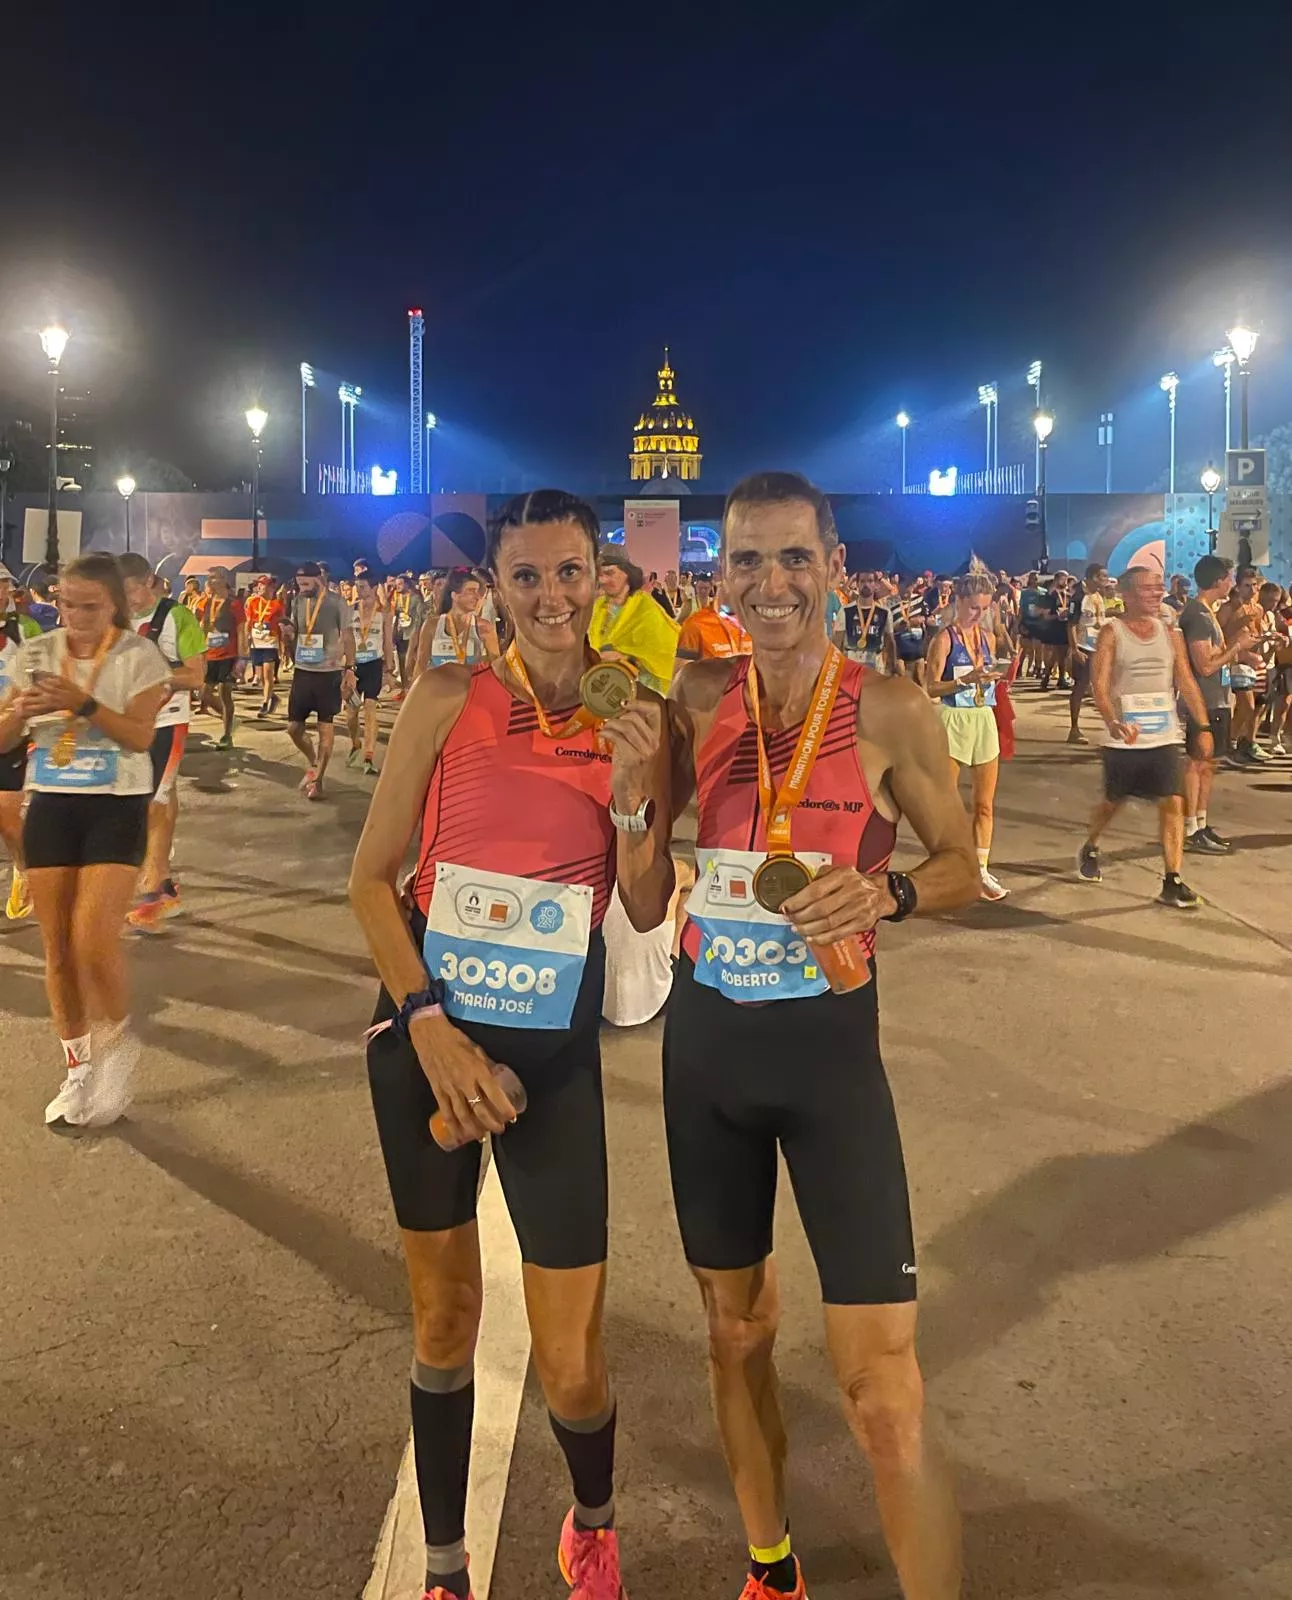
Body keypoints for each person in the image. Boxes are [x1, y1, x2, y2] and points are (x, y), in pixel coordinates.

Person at [349, 488, 673, 1600]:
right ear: (495, 584)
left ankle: (593, 1523)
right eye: (525, 575)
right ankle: (443, 1569)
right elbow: (369, 880)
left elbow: (642, 906)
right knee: (442, 1320)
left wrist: (630, 796)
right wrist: (429, 1027)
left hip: (552, 1056)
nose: (549, 596)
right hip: (428, 1036)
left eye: (569, 571)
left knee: (572, 1360)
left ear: (601, 578)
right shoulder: (448, 697)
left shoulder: (636, 714)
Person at [665, 471, 978, 1600]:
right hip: (707, 1050)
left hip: (831, 1062)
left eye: (794, 556)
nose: (771, 582)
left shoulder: (888, 708)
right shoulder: (697, 695)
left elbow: (963, 865)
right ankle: (769, 1566)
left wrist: (887, 894)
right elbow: (642, 865)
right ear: (722, 575)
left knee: (882, 1393)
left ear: (833, 568)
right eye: (747, 559)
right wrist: (626, 800)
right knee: (734, 1331)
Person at [0, 553, 170, 1128]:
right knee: (56, 949)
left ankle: (117, 1049)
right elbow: (2, 737)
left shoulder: (138, 656)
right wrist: (18, 713)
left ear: (114, 604)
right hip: (51, 802)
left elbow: (141, 736)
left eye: (89, 607)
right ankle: (77, 1070)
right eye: (65, 604)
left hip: (116, 804)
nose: (74, 616)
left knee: (92, 941)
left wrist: (84, 705)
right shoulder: (35, 653)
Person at [1077, 567, 1210, 908]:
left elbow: (1186, 681)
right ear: (1126, 594)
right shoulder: (1112, 633)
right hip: (1125, 738)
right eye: (1147, 589)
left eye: (1158, 587)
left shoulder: (1170, 633)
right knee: (1113, 801)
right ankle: (1091, 844)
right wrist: (1112, 721)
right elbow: (1099, 685)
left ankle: (1172, 880)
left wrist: (1203, 726)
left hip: (1164, 735)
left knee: (1173, 802)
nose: (1156, 593)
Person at [116, 553, 208, 931]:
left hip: (168, 722)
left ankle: (155, 892)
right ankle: (164, 882)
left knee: (155, 801)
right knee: (152, 799)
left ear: (149, 582)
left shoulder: (177, 617)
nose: (127, 601)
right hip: (126, 724)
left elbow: (196, 676)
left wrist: (152, 674)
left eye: (131, 592)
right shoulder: (115, 618)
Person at [926, 568, 1010, 901]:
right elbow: (931, 687)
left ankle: (981, 870)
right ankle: (945, 866)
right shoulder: (944, 639)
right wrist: (965, 681)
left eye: (985, 608)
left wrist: (993, 678)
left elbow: (986, 676)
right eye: (974, 607)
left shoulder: (988, 638)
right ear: (959, 601)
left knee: (984, 804)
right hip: (953, 720)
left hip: (983, 718)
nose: (979, 614)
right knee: (947, 803)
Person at [1179, 554, 1253, 854]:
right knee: (1197, 763)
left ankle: (1200, 823)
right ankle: (1189, 828)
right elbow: (1205, 665)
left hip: (1217, 698)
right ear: (1219, 580)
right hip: (1203, 700)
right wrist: (1236, 647)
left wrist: (1243, 648)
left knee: (1208, 764)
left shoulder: (1207, 612)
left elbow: (1215, 656)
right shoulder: (1197, 614)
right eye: (1230, 577)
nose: (1232, 583)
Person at [284, 561, 357, 801]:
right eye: (299, 584)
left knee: (325, 727)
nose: (302, 589)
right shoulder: (297, 601)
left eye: (306, 584)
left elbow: (348, 637)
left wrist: (350, 669)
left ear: (318, 579)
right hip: (302, 670)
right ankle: (314, 762)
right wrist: (288, 636)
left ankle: (318, 780)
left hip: (328, 672)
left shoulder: (337, 602)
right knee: (294, 728)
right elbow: (296, 634)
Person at [0, 562, 44, 919]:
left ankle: (23, 869)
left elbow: (38, 676)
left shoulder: (25, 628)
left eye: (3, 585)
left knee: (7, 816)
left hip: (10, 730)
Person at [589, 545, 680, 693]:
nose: (602, 580)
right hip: (598, 690)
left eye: (609, 573)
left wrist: (628, 661)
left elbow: (667, 661)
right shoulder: (597, 608)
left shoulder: (646, 609)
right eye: (599, 574)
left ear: (627, 573)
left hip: (637, 695)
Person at [345, 566, 395, 776]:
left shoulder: (384, 612)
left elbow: (388, 640)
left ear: (374, 588)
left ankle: (369, 755)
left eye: (363, 587)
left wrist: (389, 670)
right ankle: (355, 743)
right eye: (357, 587)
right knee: (351, 713)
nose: (359, 591)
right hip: (353, 666)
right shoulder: (350, 610)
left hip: (374, 664)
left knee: (370, 708)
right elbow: (344, 639)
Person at [1218, 565, 1269, 765]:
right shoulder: (1228, 608)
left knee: (1254, 706)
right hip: (1234, 662)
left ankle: (1240, 743)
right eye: (1247, 585)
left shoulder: (1257, 608)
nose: (1252, 590)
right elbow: (1219, 635)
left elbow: (1255, 635)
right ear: (1237, 587)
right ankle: (1229, 744)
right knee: (1246, 705)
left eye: (1255, 585)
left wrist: (1269, 639)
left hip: (1253, 662)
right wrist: (1242, 621)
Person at [194, 566, 245, 749]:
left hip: (228, 655)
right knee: (203, 693)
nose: (209, 581)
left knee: (225, 694)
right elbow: (199, 627)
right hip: (209, 655)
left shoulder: (234, 604)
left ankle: (227, 735)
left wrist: (242, 659)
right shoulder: (204, 602)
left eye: (214, 577)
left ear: (224, 580)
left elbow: (241, 631)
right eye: (208, 578)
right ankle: (229, 719)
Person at [420, 568, 500, 673]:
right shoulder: (432, 626)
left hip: (471, 683)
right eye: (471, 590)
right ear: (454, 595)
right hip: (440, 683)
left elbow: (496, 668)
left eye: (478, 592)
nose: (477, 597)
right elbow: (420, 666)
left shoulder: (484, 627)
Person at [1066, 563, 1108, 745]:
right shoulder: (1078, 597)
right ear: (1093, 577)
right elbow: (1071, 624)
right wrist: (1075, 649)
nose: (1106, 580)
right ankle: (1074, 729)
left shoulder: (1098, 596)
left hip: (1099, 649)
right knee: (1080, 687)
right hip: (1084, 649)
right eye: (1103, 577)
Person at [675, 573, 751, 661]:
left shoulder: (754, 624)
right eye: (700, 588)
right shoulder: (691, 612)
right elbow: (678, 622)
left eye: (706, 588)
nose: (703, 591)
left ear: (711, 588)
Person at [245, 573, 286, 716]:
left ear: (271, 588)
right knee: (261, 677)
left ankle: (265, 703)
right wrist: (246, 639)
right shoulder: (252, 602)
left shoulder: (277, 604)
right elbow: (248, 621)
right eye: (258, 585)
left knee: (268, 675)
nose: (259, 587)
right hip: (256, 643)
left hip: (270, 643)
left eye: (262, 585)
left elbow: (282, 624)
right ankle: (272, 697)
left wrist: (283, 645)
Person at [842, 571, 896, 673]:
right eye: (862, 581)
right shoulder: (852, 601)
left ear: (876, 585)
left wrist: (881, 578)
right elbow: (844, 589)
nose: (866, 584)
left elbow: (891, 590)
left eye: (870, 581)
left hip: (875, 661)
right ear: (858, 584)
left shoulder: (883, 608)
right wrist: (852, 578)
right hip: (852, 659)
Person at [392, 572, 428, 696]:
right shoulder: (398, 598)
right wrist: (394, 632)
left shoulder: (416, 598)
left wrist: (416, 635)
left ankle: (413, 690)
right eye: (396, 584)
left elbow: (419, 619)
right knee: (402, 662)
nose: (397, 586)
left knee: (411, 662)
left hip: (412, 634)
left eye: (400, 584)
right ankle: (404, 689)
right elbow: (397, 617)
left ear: (407, 584)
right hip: (401, 634)